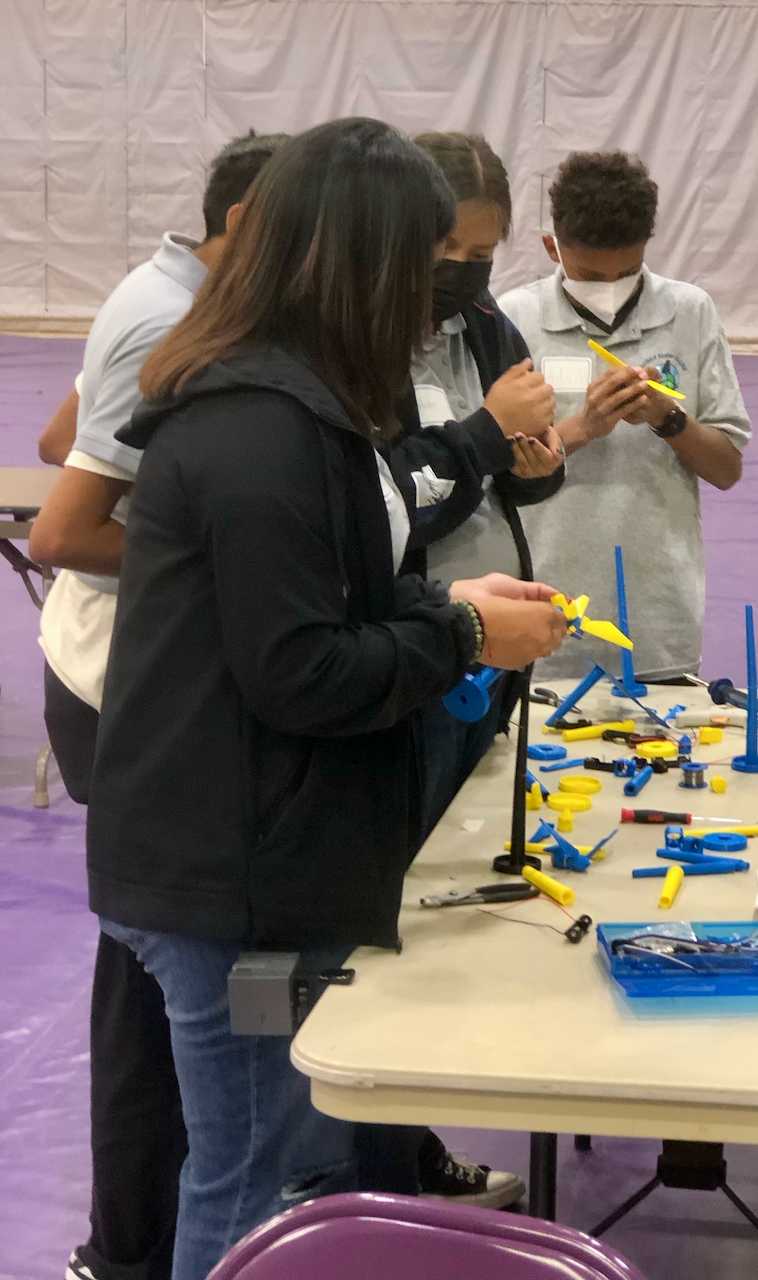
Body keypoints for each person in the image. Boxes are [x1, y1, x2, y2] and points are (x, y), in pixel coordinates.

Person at [84, 117, 567, 1280]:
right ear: (357, 262)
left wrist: (447, 605)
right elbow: (300, 668)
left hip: (270, 851)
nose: (436, 290)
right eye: (421, 260)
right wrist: (460, 629)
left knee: (296, 1171)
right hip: (232, 875)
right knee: (254, 1179)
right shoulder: (260, 426)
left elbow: (336, 604)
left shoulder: (304, 404)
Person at [29, 131, 289, 1280]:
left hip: (150, 677)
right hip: (119, 687)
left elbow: (60, 436)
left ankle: (147, 1232)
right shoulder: (165, 313)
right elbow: (61, 526)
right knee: (153, 981)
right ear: (242, 225)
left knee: (167, 971)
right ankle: (127, 1248)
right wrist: (225, 550)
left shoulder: (191, 295)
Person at [499, 150, 751, 682]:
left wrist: (670, 419)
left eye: (628, 271)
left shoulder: (690, 311)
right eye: (590, 274)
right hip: (541, 608)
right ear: (552, 248)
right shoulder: (514, 319)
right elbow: (493, 472)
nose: (610, 288)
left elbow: (727, 469)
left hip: (657, 618)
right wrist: (583, 428)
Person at [393, 130, 564, 838]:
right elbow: (389, 507)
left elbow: (504, 476)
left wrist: (536, 468)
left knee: (479, 833)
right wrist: (488, 435)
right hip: (416, 649)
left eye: (483, 256)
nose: (463, 271)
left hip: (491, 655)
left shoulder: (490, 325)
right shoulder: (358, 345)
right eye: (446, 252)